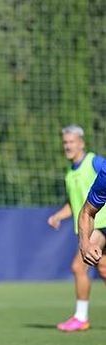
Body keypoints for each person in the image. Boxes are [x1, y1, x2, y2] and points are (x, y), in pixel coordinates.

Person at [47, 124, 106, 332]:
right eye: (65, 142)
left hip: (100, 224)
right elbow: (75, 204)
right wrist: (58, 216)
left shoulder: (95, 162)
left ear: (81, 142)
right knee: (104, 270)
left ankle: (81, 318)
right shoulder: (70, 172)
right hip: (88, 224)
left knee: (78, 266)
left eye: (72, 141)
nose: (68, 146)